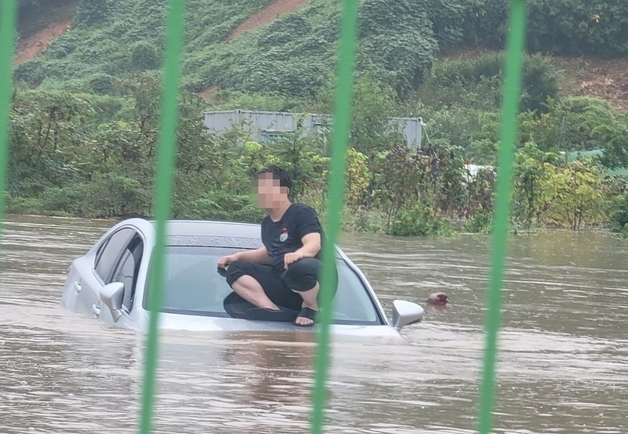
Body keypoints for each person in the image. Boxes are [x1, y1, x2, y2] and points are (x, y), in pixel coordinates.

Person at [217, 166, 334, 327]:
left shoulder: (302, 213)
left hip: (317, 282)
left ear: (284, 191)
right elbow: (271, 254)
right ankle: (272, 310)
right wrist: (237, 256)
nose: (260, 193)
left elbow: (313, 243)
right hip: (287, 285)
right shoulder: (267, 224)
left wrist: (299, 254)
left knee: (298, 267)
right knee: (235, 268)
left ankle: (311, 307)